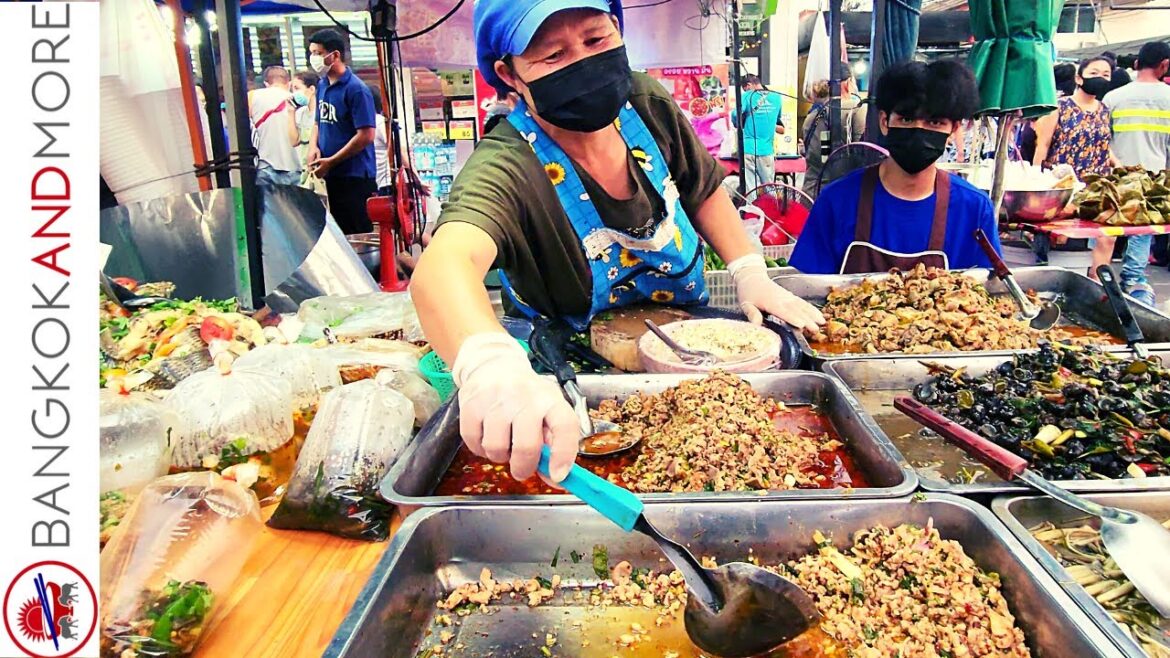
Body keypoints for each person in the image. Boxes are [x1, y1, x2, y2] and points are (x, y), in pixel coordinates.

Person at [409, 0, 824, 483]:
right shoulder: (506, 165)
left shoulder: (646, 105)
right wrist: (489, 364)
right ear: (510, 74)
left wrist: (750, 271)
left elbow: (703, 189)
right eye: (552, 56)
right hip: (577, 390)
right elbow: (443, 268)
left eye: (596, 39)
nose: (583, 63)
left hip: (696, 368)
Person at [790, 60, 1000, 275]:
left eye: (935, 122)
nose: (919, 130)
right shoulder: (836, 201)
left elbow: (989, 293)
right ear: (884, 121)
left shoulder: (974, 209)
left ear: (953, 130)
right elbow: (807, 288)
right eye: (907, 119)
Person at [1033, 56, 1119, 275]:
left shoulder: (1104, 110)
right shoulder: (1059, 107)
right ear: (1079, 78)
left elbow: (1103, 144)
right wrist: (1035, 180)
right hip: (1066, 184)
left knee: (1107, 236)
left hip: (1098, 184)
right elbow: (1042, 144)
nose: (1100, 78)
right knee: (1062, 238)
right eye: (1094, 73)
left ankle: (1098, 287)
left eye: (1105, 75)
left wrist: (1119, 166)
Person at [1101, 41, 1170, 306]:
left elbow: (1102, 139)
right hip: (1153, 177)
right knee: (1142, 230)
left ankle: (1098, 276)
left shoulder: (1113, 97)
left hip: (1114, 176)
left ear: (1137, 63)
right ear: (1164, 65)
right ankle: (1133, 279)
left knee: (1107, 229)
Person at [307, 28, 378, 234]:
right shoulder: (322, 86)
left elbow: (366, 135)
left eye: (318, 54)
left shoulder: (356, 90)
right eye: (311, 53)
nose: (314, 58)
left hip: (355, 177)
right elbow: (318, 121)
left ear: (335, 55)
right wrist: (313, 147)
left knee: (358, 236)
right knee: (338, 234)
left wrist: (332, 161)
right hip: (330, 176)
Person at [800, 64, 868, 199]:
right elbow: (863, 155)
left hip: (811, 195)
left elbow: (809, 154)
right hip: (841, 197)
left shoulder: (810, 117)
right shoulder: (857, 110)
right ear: (848, 83)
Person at [248, 66, 301, 186]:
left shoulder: (252, 96)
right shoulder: (298, 100)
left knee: (266, 204)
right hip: (295, 166)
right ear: (288, 82)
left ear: (266, 82)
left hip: (264, 164)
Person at [733, 74, 784, 192]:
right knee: (769, 187)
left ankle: (751, 209)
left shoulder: (747, 96)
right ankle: (770, 209)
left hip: (748, 149)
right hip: (766, 150)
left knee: (750, 188)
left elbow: (736, 114)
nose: (745, 91)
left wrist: (738, 123)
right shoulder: (776, 98)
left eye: (745, 89)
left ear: (749, 85)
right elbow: (778, 120)